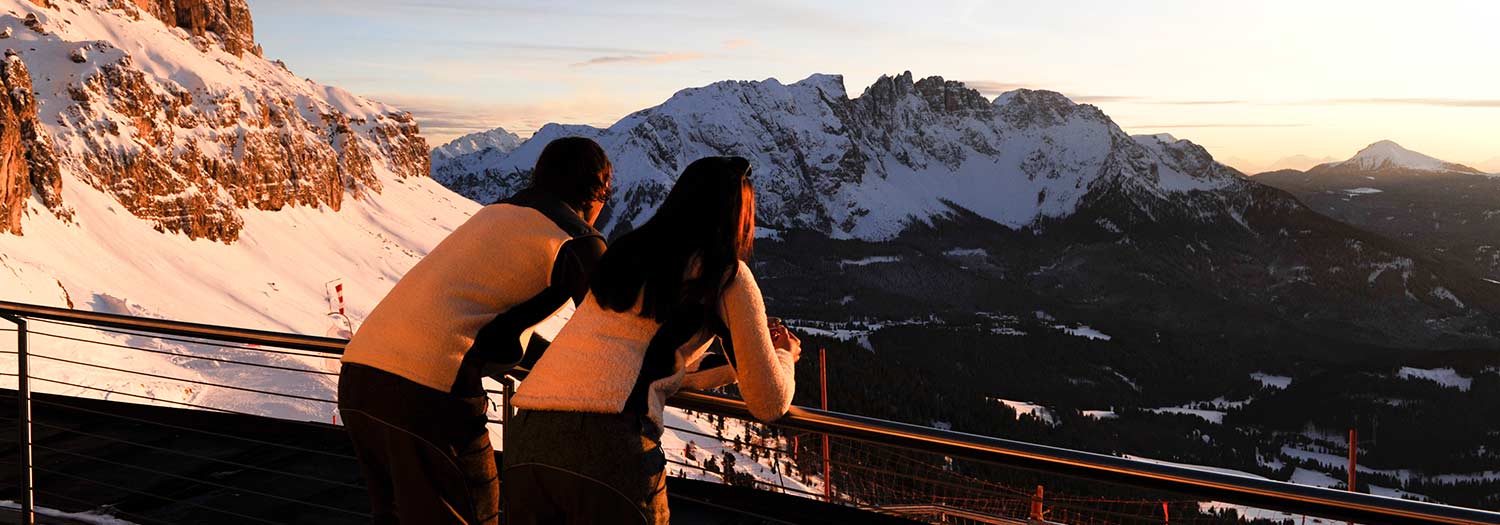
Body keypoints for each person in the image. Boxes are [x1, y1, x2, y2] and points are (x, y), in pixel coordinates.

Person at [502, 156, 801, 525]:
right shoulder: (725, 274)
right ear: (738, 215)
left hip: (528, 434)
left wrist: (732, 370)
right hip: (610, 444)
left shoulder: (624, 255)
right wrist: (784, 356)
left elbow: (644, 364)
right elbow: (769, 402)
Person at [337, 137, 612, 525]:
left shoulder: (495, 213)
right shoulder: (578, 239)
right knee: (472, 513)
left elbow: (484, 320)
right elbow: (614, 333)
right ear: (598, 191)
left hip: (358, 377)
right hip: (428, 394)